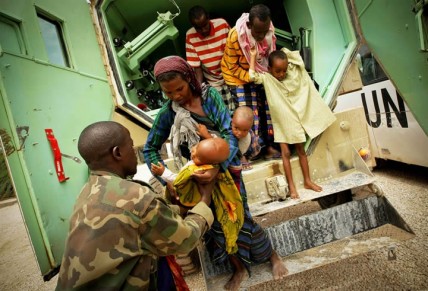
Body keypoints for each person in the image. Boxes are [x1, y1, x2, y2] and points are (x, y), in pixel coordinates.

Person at [143, 56, 287, 291]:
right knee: (216, 226)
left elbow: (229, 134)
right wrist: (168, 179)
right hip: (199, 178)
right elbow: (150, 149)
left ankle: (272, 256)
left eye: (179, 89)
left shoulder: (210, 97)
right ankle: (238, 269)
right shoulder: (170, 111)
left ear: (190, 79)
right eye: (168, 93)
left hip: (227, 169)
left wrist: (216, 167)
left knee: (240, 218)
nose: (176, 96)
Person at [56, 121, 216, 291]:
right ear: (117, 153)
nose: (134, 152)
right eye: (131, 147)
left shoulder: (89, 189)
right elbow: (187, 239)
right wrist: (204, 200)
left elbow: (148, 217)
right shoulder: (134, 198)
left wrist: (179, 205)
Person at [249, 47, 336, 198]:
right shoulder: (267, 78)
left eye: (284, 70)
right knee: (286, 154)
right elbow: (251, 76)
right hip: (282, 124)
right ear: (269, 69)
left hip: (295, 122)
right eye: (278, 71)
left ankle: (308, 181)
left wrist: (283, 51)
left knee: (301, 152)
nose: (282, 74)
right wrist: (252, 56)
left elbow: (297, 59)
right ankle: (292, 187)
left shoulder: (293, 75)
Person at [151, 137, 245, 254]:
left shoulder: (198, 170)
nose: (193, 152)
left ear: (209, 162)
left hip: (195, 201)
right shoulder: (208, 163)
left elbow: (178, 179)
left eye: (197, 156)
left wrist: (163, 173)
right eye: (196, 148)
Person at [221, 3, 280, 160]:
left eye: (265, 31)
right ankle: (251, 151)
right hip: (237, 76)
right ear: (248, 25)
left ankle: (269, 147)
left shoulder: (269, 30)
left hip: (259, 72)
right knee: (249, 113)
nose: (261, 36)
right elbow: (233, 67)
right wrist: (251, 77)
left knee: (268, 109)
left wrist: (263, 77)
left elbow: (270, 55)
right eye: (258, 32)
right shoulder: (235, 36)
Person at [185, 5, 235, 113]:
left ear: (208, 18)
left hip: (231, 74)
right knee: (222, 112)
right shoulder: (190, 36)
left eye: (205, 26)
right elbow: (197, 68)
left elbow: (233, 51)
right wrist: (198, 91)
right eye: (198, 28)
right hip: (213, 81)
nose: (203, 30)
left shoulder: (222, 24)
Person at [196, 106, 259, 171]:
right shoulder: (226, 122)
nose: (239, 133)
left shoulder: (247, 137)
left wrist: (206, 135)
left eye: (245, 130)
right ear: (231, 121)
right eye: (236, 128)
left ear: (250, 127)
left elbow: (223, 148)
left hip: (243, 150)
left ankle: (242, 156)